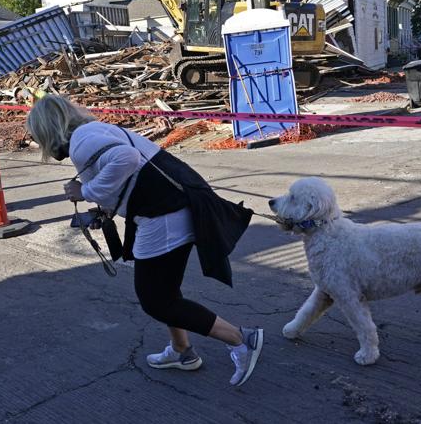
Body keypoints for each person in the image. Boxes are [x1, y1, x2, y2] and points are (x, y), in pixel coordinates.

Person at [26, 94, 262, 387]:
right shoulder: (94, 131)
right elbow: (132, 173)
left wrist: (84, 193)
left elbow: (127, 159)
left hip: (164, 216)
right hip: (174, 207)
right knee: (166, 293)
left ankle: (241, 339)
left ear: (48, 131)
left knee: (155, 301)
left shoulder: (82, 143)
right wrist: (105, 201)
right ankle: (181, 351)